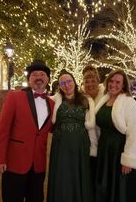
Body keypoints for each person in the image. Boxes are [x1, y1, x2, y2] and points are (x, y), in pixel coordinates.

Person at [0, 60, 55, 202]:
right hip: (15, 162)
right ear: (29, 79)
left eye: (42, 74)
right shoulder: (14, 97)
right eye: (34, 74)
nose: (38, 77)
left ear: (48, 79)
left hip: (38, 164)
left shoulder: (52, 103)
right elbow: (3, 129)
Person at [94, 69, 136, 202]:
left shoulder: (130, 104)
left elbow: (135, 133)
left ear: (124, 85)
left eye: (118, 82)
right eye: (111, 81)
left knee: (123, 190)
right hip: (106, 151)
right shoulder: (104, 100)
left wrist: (129, 159)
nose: (113, 84)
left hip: (121, 151)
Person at [47, 69, 95, 202]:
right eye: (63, 83)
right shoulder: (54, 100)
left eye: (69, 81)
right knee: (62, 175)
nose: (67, 85)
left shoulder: (86, 100)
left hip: (80, 145)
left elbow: (91, 125)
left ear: (74, 82)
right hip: (61, 145)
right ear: (59, 86)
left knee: (78, 175)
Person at [82, 65, 105, 196]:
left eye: (93, 81)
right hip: (87, 148)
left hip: (104, 146)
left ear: (98, 81)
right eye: (87, 81)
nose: (90, 84)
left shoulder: (106, 97)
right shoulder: (81, 99)